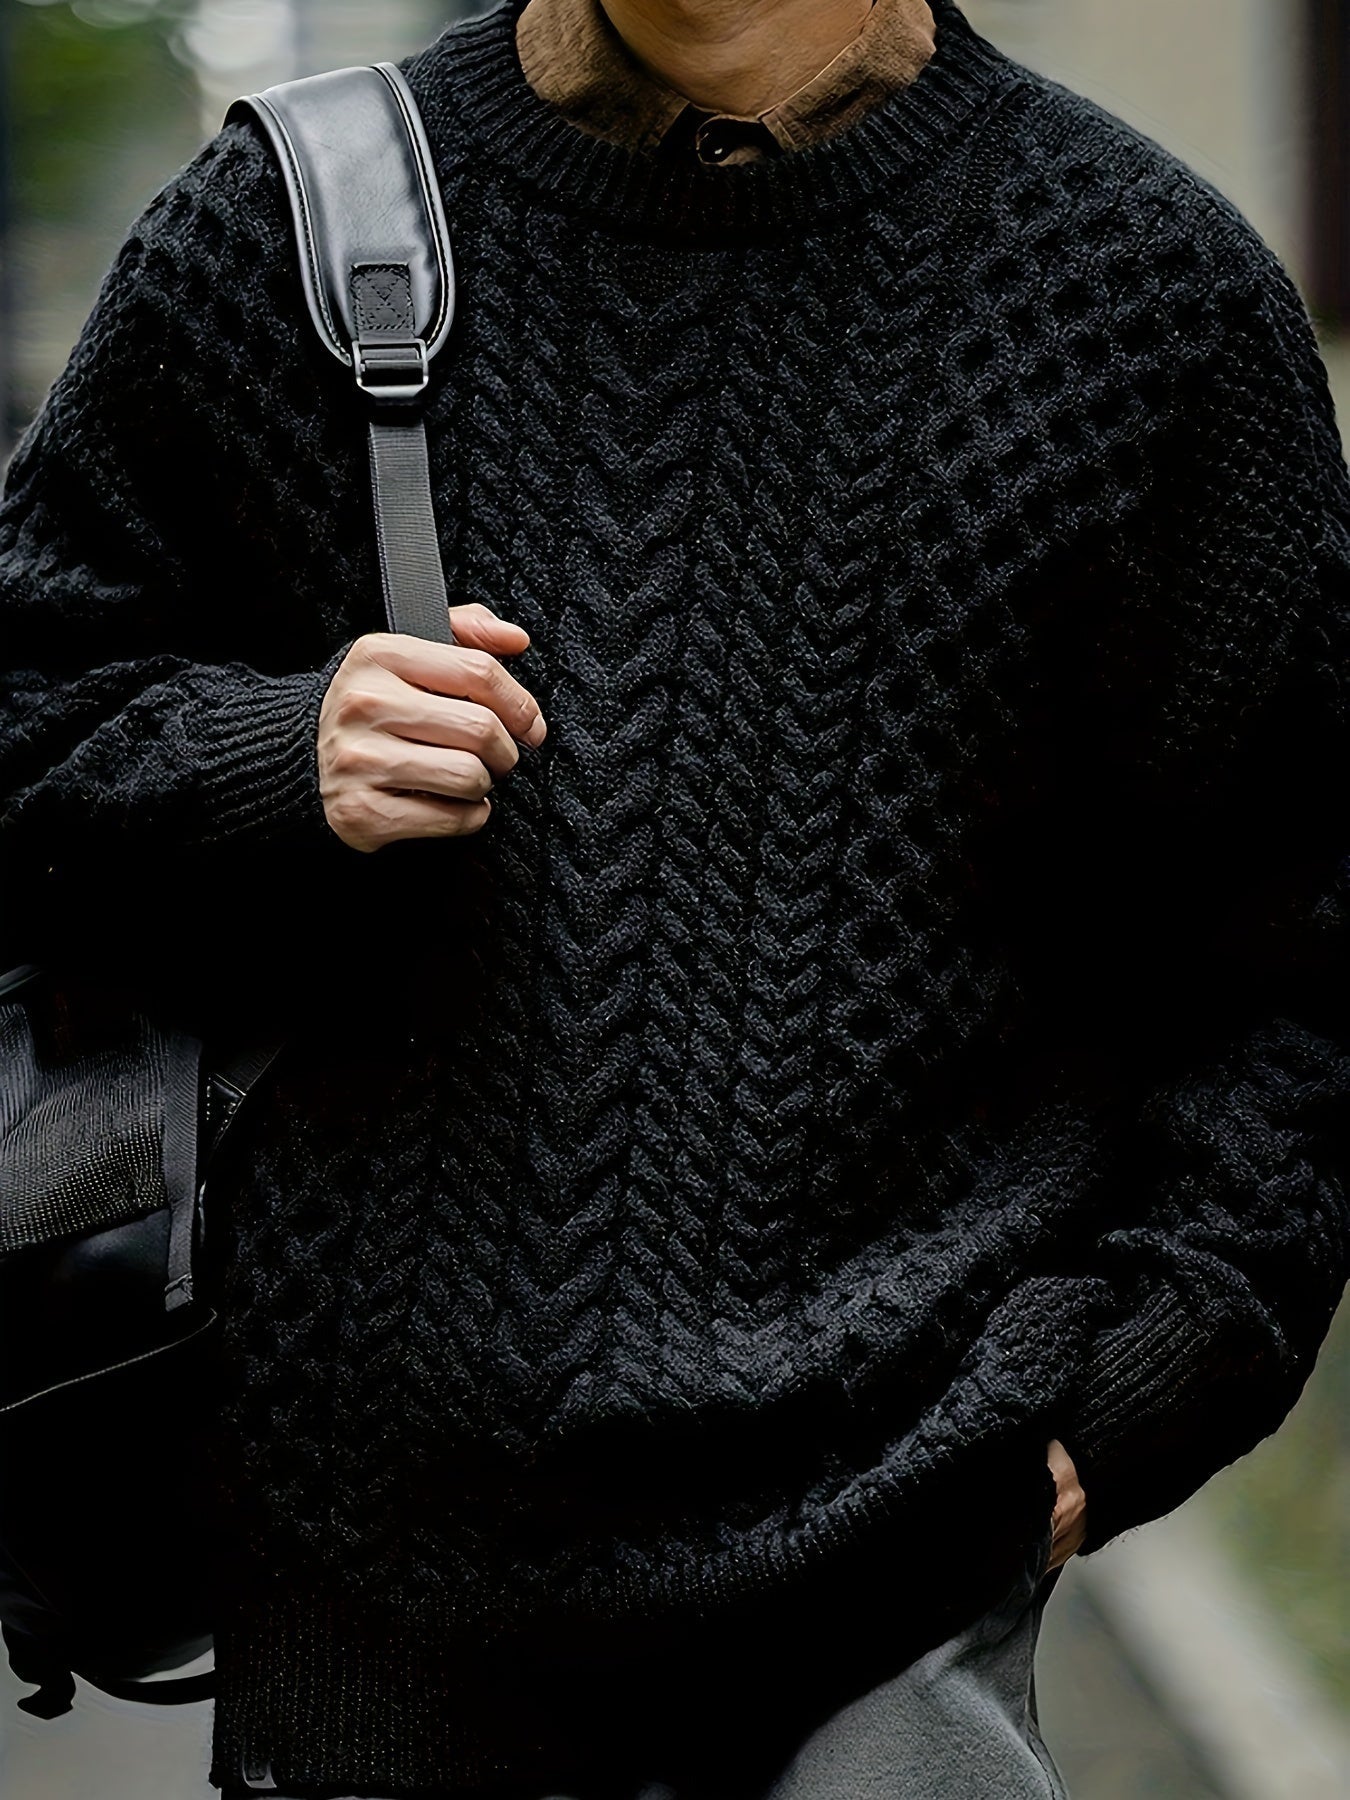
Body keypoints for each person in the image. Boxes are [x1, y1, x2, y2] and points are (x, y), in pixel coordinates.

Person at [1, 0, 1347, 1794]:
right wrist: (271, 753)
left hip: (891, 1568)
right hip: (373, 1592)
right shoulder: (287, 224)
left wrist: (1142, 1382)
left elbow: (1294, 948)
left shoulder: (1142, 294)